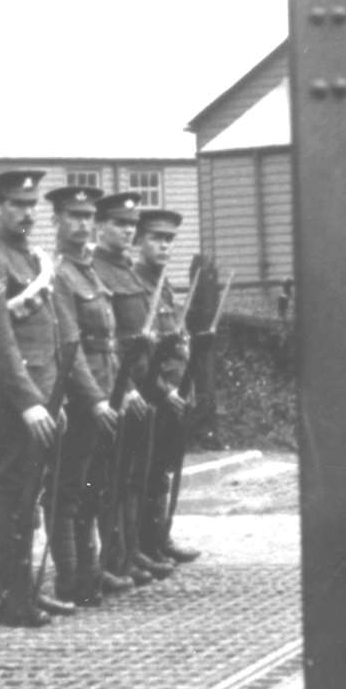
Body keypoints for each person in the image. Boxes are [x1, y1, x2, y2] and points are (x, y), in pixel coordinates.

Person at [0, 169, 65, 628]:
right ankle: (11, 597)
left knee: (30, 495)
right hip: (14, 401)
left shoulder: (32, 260)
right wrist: (27, 401)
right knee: (12, 495)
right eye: (16, 205)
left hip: (43, 398)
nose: (26, 214)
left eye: (31, 205)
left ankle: (27, 592)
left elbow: (52, 334)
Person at [43, 185, 122, 609]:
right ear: (56, 221)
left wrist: (112, 395)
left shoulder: (89, 272)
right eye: (74, 216)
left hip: (103, 396)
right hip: (77, 401)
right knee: (67, 489)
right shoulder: (57, 276)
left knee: (94, 487)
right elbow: (69, 350)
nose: (84, 224)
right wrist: (93, 399)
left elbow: (107, 343)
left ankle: (89, 572)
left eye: (89, 216)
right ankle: (70, 579)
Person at [89, 195, 172, 586]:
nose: (127, 230)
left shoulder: (132, 273)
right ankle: (114, 558)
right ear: (100, 226)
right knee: (112, 478)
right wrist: (126, 390)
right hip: (119, 388)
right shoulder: (96, 271)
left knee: (134, 476)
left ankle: (131, 551)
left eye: (130, 224)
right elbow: (111, 340)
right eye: (118, 223)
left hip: (143, 386)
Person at [134, 208, 202, 567]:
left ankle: (160, 538)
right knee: (144, 471)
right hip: (151, 393)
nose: (163, 246)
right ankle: (143, 545)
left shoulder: (166, 287)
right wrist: (164, 389)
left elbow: (179, 339)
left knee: (162, 468)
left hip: (173, 391)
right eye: (155, 239)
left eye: (168, 240)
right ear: (138, 241)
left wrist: (183, 386)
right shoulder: (137, 284)